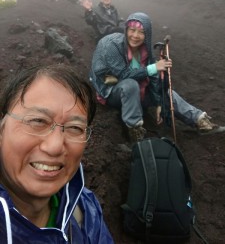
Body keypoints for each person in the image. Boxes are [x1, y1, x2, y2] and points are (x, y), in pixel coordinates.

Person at [0, 64, 114, 243]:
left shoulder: (84, 210)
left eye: (75, 128)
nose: (55, 146)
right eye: (37, 121)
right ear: (2, 127)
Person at [89, 12, 220, 142]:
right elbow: (124, 74)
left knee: (167, 93)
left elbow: (154, 78)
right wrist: (154, 67)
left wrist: (158, 102)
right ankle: (134, 129)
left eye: (141, 32)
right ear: (126, 30)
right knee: (130, 84)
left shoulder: (145, 50)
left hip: (137, 93)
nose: (135, 36)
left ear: (147, 34)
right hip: (112, 92)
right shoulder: (112, 45)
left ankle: (199, 121)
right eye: (132, 30)